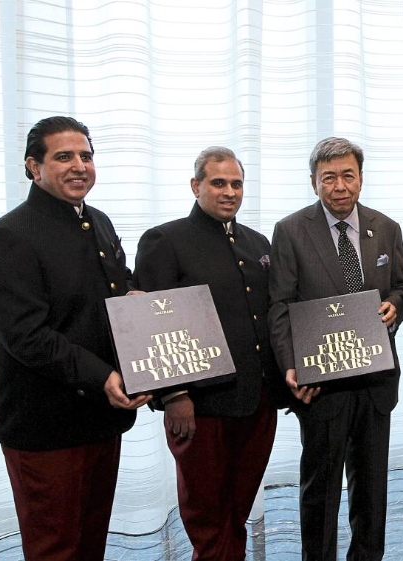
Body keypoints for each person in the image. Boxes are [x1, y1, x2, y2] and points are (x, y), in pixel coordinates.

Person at [0, 116, 150, 560]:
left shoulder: (99, 222)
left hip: (102, 414)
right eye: (64, 157)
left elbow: (112, 292)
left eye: (86, 156)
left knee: (91, 541)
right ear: (33, 166)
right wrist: (104, 376)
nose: (79, 166)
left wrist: (144, 305)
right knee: (54, 549)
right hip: (45, 423)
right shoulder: (7, 237)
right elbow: (27, 337)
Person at [133, 146, 281, 559]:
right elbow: (149, 324)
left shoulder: (257, 242)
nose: (229, 191)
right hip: (200, 405)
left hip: (257, 400)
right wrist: (174, 396)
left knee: (237, 509)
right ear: (196, 186)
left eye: (236, 184)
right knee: (207, 514)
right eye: (218, 183)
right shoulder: (166, 239)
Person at [267, 137, 403, 560]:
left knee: (371, 489)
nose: (340, 185)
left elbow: (402, 288)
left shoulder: (386, 227)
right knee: (321, 489)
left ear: (361, 178)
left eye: (348, 175)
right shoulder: (291, 231)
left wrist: (394, 307)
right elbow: (280, 306)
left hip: (375, 379)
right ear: (314, 183)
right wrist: (291, 367)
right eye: (328, 177)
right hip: (321, 383)